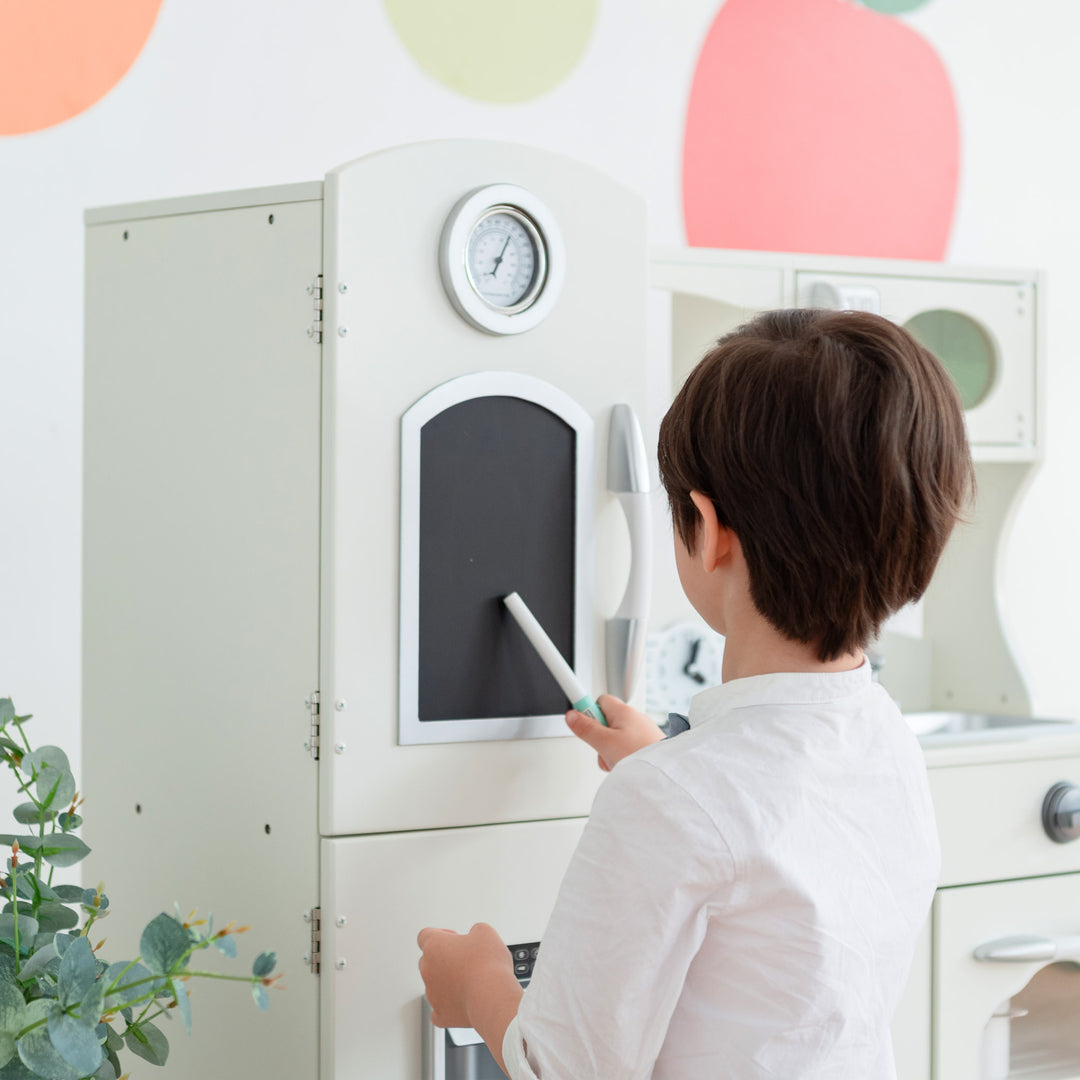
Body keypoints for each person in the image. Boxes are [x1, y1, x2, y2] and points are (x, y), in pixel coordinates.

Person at [417, 308, 973, 1079]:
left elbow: (564, 1069)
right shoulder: (884, 739)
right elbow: (773, 853)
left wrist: (475, 985)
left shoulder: (669, 801)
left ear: (707, 529)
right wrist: (670, 762)